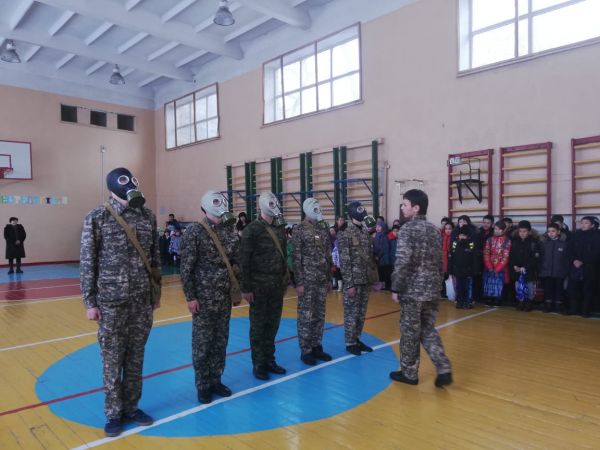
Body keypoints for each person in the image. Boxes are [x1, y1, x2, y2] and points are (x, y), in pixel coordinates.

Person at [80, 167, 160, 437]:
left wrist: (155, 295)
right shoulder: (97, 217)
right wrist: (90, 302)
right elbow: (88, 261)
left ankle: (132, 408)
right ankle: (114, 413)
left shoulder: (147, 216)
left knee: (136, 358)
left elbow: (154, 259)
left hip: (141, 302)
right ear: (112, 186)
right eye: (124, 181)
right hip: (111, 303)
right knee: (112, 360)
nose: (130, 185)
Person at [179, 190, 239, 404]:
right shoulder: (195, 231)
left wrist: (235, 287)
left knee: (220, 341)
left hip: (223, 296)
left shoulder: (229, 230)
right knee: (202, 343)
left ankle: (216, 379)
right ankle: (203, 385)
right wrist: (190, 297)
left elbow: (235, 261)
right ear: (206, 208)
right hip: (203, 298)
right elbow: (186, 268)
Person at [389, 189, 452, 387]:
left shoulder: (407, 229)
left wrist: (396, 287)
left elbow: (403, 261)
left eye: (405, 204)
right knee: (428, 330)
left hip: (413, 291)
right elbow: (440, 260)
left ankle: (409, 373)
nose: (402, 207)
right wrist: (438, 284)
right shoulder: (434, 229)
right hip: (432, 289)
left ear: (416, 208)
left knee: (410, 332)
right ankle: (443, 367)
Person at [240, 192, 288, 380]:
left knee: (273, 325)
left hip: (276, 286)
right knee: (258, 327)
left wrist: (284, 280)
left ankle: (269, 360)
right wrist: (245, 288)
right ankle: (258, 363)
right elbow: (244, 261)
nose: (273, 205)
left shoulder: (279, 228)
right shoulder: (251, 230)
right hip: (258, 287)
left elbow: (283, 255)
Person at [291, 198, 333, 366]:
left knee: (319, 314)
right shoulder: (299, 230)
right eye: (314, 207)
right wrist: (299, 282)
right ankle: (306, 350)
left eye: (318, 207)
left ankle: (316, 346)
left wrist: (329, 278)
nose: (317, 210)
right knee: (306, 315)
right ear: (306, 209)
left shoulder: (322, 228)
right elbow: (296, 257)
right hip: (307, 281)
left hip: (321, 279)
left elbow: (327, 254)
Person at [338, 201, 377, 356]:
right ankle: (350, 342)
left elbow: (368, 256)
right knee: (351, 313)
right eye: (360, 210)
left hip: (365, 279)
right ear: (353, 213)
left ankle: (356, 338)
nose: (363, 212)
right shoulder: (345, 233)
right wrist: (349, 284)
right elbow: (344, 260)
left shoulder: (365, 232)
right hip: (353, 280)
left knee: (361, 313)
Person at [568, 216, 600, 317]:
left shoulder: (597, 236)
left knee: (587, 290)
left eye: (586, 223)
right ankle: (574, 309)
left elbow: (597, 253)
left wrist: (583, 261)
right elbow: (570, 249)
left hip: (590, 267)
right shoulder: (577, 234)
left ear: (593, 225)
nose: (583, 225)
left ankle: (585, 311)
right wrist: (574, 260)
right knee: (573, 289)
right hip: (575, 267)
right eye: (582, 223)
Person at [509, 220, 541, 311]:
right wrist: (514, 265)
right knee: (518, 286)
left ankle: (529, 302)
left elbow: (534, 257)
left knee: (530, 286)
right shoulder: (514, 241)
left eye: (524, 231)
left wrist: (525, 267)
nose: (522, 233)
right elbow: (511, 255)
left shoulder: (534, 242)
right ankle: (521, 301)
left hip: (529, 270)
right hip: (517, 269)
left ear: (529, 232)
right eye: (520, 231)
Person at [539, 222, 569, 313]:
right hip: (547, 271)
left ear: (558, 232)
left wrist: (565, 270)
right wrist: (542, 269)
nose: (551, 233)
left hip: (559, 272)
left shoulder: (564, 244)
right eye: (549, 231)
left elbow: (567, 259)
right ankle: (548, 305)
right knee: (548, 288)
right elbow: (541, 257)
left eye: (553, 231)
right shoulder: (544, 244)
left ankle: (558, 305)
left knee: (559, 288)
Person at [448, 225, 479, 309]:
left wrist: (475, 269)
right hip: (458, 270)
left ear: (468, 236)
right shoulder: (455, 243)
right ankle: (459, 301)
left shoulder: (471, 244)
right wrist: (450, 269)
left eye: (464, 235)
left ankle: (467, 301)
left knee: (467, 287)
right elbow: (451, 257)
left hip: (468, 270)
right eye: (460, 235)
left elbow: (475, 258)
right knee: (459, 287)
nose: (462, 237)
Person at [483, 221, 511, 305]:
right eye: (495, 229)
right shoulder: (489, 239)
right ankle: (490, 297)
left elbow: (506, 256)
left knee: (499, 283)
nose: (496, 231)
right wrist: (489, 266)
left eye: (499, 229)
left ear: (503, 230)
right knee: (489, 283)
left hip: (501, 268)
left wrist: (498, 268)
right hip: (490, 266)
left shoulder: (507, 240)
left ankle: (498, 299)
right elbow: (486, 253)